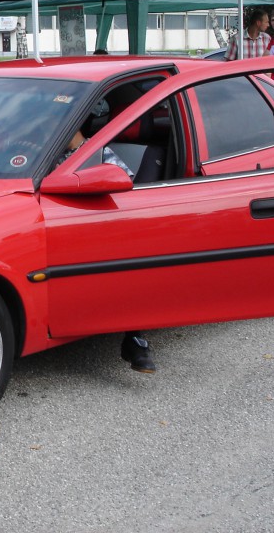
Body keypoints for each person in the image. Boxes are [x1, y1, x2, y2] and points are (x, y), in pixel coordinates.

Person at [55, 121, 156, 374]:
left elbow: (125, 187)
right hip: (60, 223)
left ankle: (134, 339)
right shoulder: (45, 153)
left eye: (62, 124)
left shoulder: (98, 152)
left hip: (97, 224)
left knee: (129, 266)